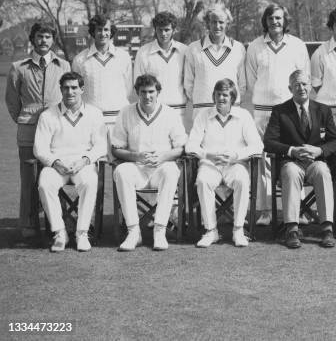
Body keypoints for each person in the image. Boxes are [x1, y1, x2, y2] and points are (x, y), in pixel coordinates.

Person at [246, 3, 310, 225]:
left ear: (285, 21)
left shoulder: (297, 45)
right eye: (271, 18)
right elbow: (252, 79)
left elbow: (304, 77)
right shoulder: (255, 46)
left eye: (279, 18)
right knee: (264, 162)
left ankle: (298, 211)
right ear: (266, 20)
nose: (275, 22)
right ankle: (266, 211)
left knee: (296, 159)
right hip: (263, 113)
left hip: (290, 112)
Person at [5, 22, 70, 239]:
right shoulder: (19, 67)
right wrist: (25, 119)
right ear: (33, 39)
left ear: (53, 40)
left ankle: (57, 223)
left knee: (54, 176)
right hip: (29, 131)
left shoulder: (64, 66)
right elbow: (12, 102)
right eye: (40, 37)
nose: (44, 41)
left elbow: (69, 98)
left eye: (48, 37)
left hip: (57, 131)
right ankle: (29, 224)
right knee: (30, 179)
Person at [263, 70, 336, 249]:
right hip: (291, 162)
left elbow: (335, 141)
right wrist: (292, 151)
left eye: (304, 84)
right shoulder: (280, 111)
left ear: (311, 87)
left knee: (322, 171)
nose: (301, 88)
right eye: (297, 84)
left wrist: (319, 150)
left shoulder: (323, 110)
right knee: (290, 172)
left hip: (315, 162)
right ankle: (292, 229)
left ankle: (327, 229)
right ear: (290, 88)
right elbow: (268, 142)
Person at [112, 74, 187, 251]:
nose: (147, 96)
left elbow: (180, 148)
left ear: (158, 92)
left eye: (151, 91)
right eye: (143, 92)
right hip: (137, 169)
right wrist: (136, 156)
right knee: (121, 171)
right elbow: (116, 148)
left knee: (171, 170)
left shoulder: (169, 113)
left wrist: (162, 157)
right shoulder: (126, 112)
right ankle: (133, 232)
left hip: (160, 168)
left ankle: (160, 230)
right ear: (137, 92)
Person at [33, 72, 106, 252]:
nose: (70, 92)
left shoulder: (94, 113)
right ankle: (59, 233)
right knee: (45, 184)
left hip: (83, 164)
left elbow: (101, 145)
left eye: (74, 88)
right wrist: (55, 162)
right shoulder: (48, 115)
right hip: (57, 165)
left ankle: (82, 233)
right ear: (61, 90)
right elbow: (39, 148)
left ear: (82, 89)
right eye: (66, 88)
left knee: (90, 182)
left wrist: (84, 161)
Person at [186, 79, 263, 248]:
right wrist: (208, 155)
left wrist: (235, 156)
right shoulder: (203, 115)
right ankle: (211, 231)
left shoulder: (243, 115)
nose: (221, 98)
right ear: (213, 95)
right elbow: (190, 145)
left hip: (235, 164)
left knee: (242, 180)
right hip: (209, 165)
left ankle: (238, 229)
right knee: (203, 181)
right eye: (218, 94)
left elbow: (257, 145)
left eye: (225, 95)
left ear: (233, 97)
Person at [184, 3, 246, 121]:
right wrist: (202, 101)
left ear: (227, 23)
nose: (217, 26)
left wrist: (231, 102)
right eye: (213, 22)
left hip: (231, 110)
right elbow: (188, 83)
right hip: (202, 111)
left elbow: (242, 84)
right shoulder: (193, 48)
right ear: (207, 23)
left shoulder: (238, 48)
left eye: (221, 22)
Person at [72, 14, 133, 131]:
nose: (103, 33)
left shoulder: (123, 57)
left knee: (119, 149)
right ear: (93, 32)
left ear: (111, 32)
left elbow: (128, 89)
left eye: (106, 29)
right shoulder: (79, 59)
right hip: (90, 121)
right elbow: (77, 92)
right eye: (99, 30)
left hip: (119, 120)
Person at [134, 11, 189, 130]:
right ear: (155, 30)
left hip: (179, 111)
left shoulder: (184, 51)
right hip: (153, 111)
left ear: (174, 30)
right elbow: (138, 85)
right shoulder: (143, 52)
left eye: (167, 29)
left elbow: (190, 82)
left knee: (179, 147)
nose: (163, 34)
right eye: (160, 30)